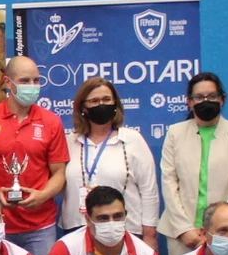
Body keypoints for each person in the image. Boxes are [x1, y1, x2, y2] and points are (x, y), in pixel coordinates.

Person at [0, 57, 68, 255]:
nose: (33, 87)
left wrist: (43, 195)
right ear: (8, 82)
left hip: (41, 227)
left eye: (36, 81)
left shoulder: (51, 122)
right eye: (25, 81)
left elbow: (59, 173)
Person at [158, 72, 228, 255]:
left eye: (212, 96)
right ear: (189, 101)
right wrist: (185, 229)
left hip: (227, 234)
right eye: (199, 97)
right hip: (182, 235)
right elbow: (169, 183)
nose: (206, 101)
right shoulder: (174, 133)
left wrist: (218, 230)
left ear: (222, 99)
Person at [59, 78, 159, 238]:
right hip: (77, 228)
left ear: (115, 104)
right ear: (83, 107)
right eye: (94, 101)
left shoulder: (133, 140)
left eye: (106, 99)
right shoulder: (70, 141)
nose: (101, 105)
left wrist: (150, 234)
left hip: (123, 229)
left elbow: (149, 190)